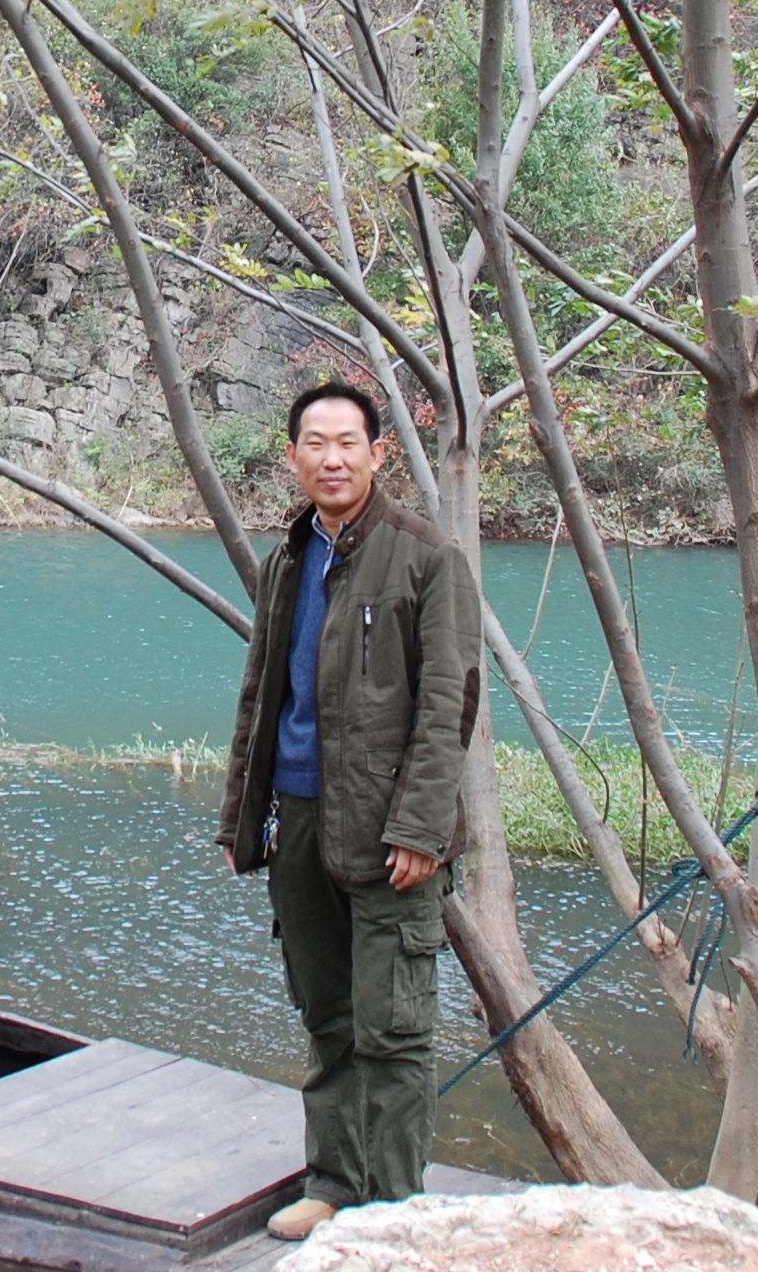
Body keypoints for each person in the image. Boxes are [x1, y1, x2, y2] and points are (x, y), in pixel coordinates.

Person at [217, 378, 478, 1243]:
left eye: (348, 443)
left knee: (394, 1030)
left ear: (377, 452)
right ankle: (331, 1181)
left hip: (390, 836)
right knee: (327, 1016)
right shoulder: (289, 557)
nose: (331, 458)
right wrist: (240, 819)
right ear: (293, 456)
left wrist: (421, 827)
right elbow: (263, 695)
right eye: (314, 444)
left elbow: (450, 702)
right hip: (298, 820)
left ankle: (392, 1214)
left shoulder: (425, 555)